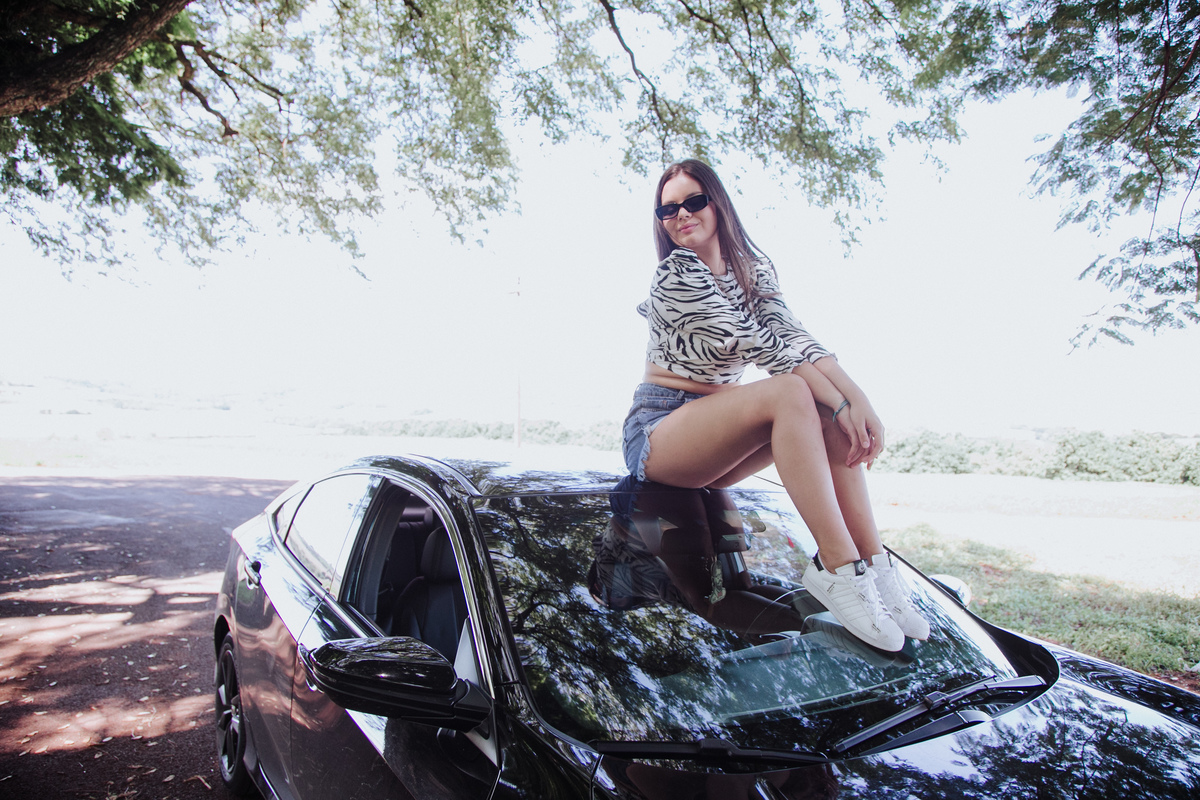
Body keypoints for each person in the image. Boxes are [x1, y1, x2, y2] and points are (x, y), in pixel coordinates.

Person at [621, 158, 930, 652]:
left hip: (717, 435)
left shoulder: (753, 270)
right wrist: (842, 403)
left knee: (826, 416)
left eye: (693, 201)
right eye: (668, 209)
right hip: (661, 429)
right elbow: (760, 347)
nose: (681, 215)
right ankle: (837, 567)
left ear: (717, 203)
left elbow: (793, 337)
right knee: (793, 391)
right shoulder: (675, 277)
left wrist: (856, 401)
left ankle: (873, 562)